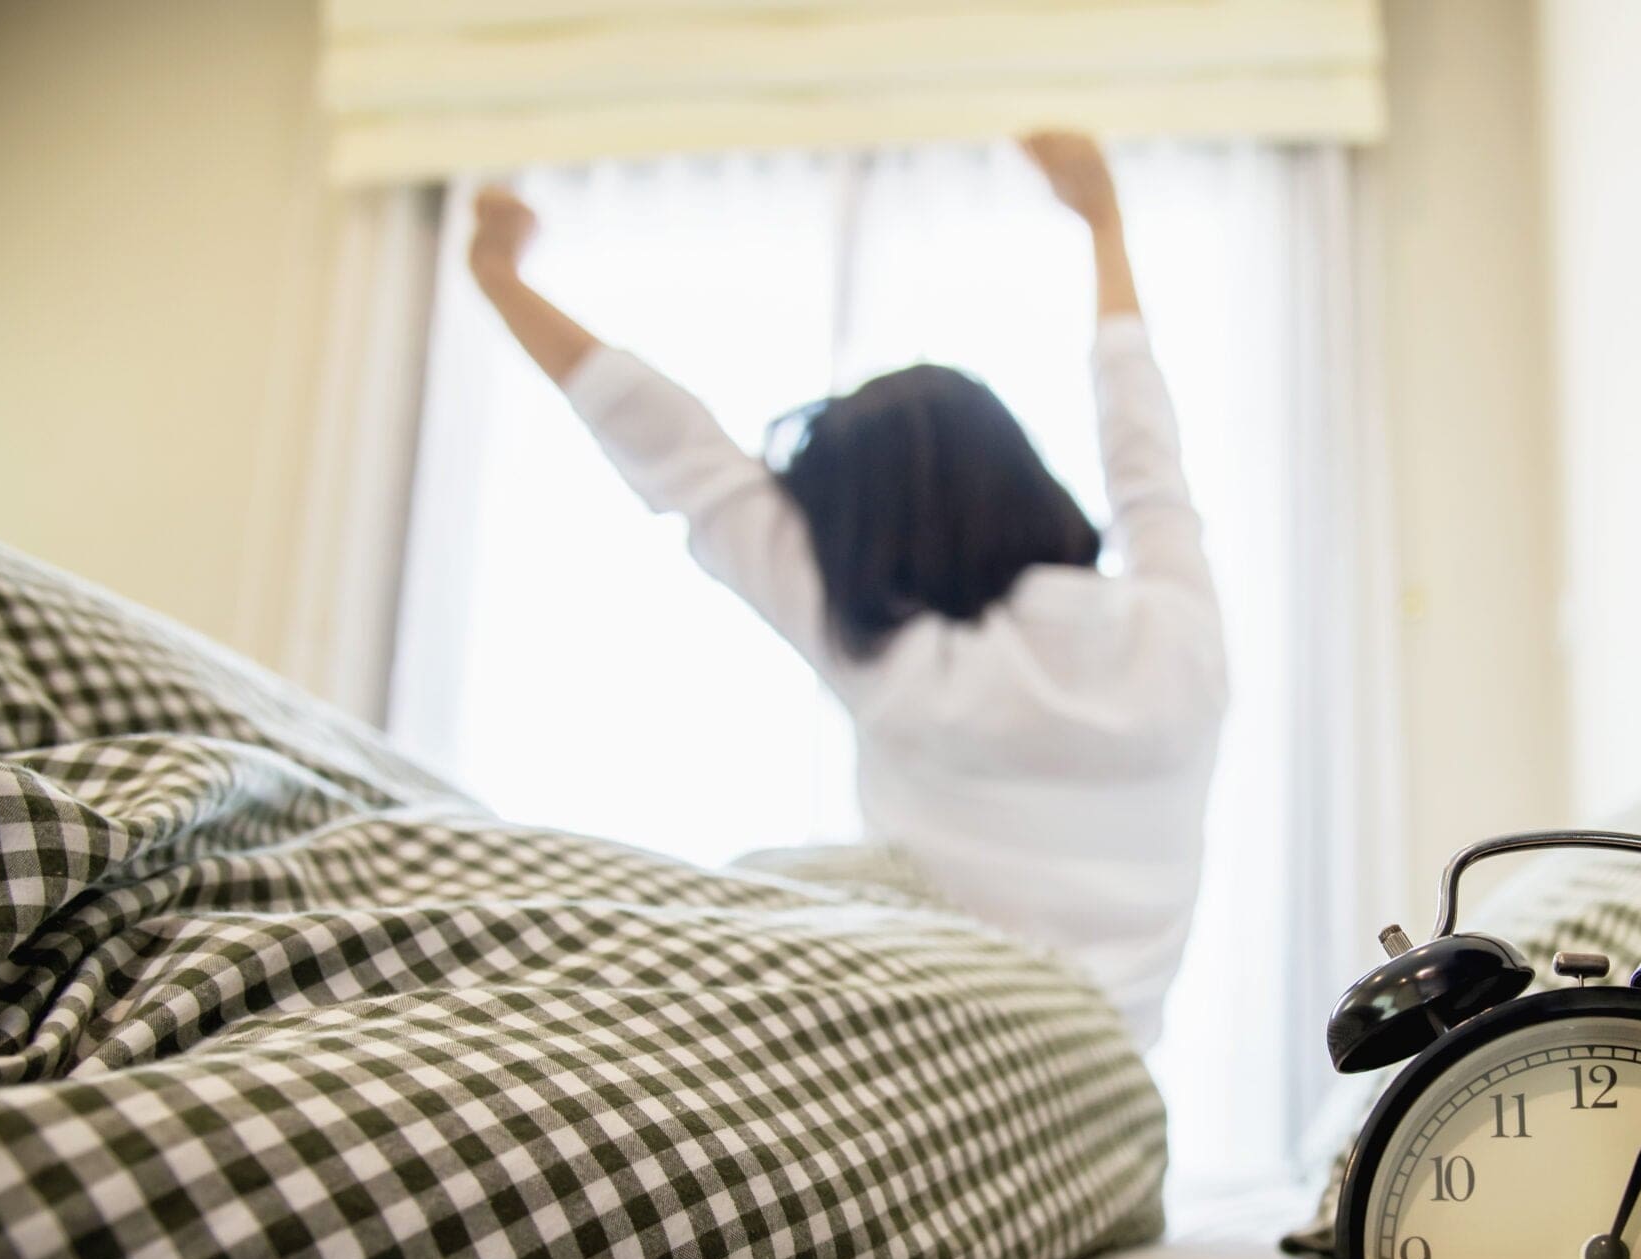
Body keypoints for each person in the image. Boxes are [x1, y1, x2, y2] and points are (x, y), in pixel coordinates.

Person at [466, 133, 1224, 1049]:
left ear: (866, 541)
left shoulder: (889, 652)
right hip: (1109, 1090)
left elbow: (678, 454)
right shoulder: (1175, 633)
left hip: (927, 1055)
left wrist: (498, 275)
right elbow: (1141, 434)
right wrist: (1104, 222)